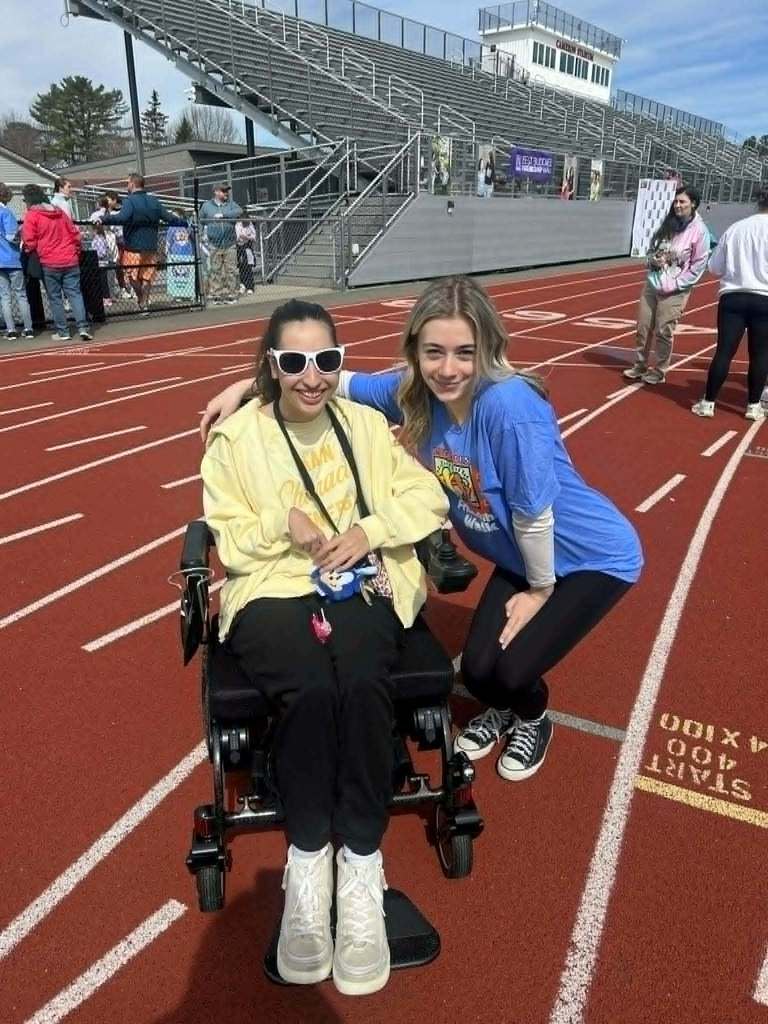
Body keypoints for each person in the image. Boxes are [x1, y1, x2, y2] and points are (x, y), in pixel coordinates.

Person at [200, 277, 643, 783]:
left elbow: (534, 514)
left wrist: (540, 592)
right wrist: (248, 385)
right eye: (434, 352)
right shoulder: (415, 390)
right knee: (476, 673)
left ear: (488, 349)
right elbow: (326, 377)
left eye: (464, 353)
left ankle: (532, 716)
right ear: (415, 351)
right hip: (522, 556)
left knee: (514, 671)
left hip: (585, 557)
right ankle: (498, 706)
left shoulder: (508, 407)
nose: (448, 369)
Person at [201, 298, 448, 994]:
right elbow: (227, 533)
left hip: (363, 582)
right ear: (271, 366)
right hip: (273, 588)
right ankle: (310, 859)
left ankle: (362, 863)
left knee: (364, 683)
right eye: (294, 361)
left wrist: (368, 531)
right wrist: (289, 524)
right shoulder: (235, 440)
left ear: (340, 363)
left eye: (327, 361)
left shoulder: (368, 426)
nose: (312, 377)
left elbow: (429, 498)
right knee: (311, 687)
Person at [692, 187, 768, 421]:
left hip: (733, 297)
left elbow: (715, 267)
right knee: (761, 355)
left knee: (724, 351)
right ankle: (753, 406)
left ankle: (708, 402)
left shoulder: (736, 228)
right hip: (764, 298)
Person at [624, 185, 711, 385]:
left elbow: (698, 267)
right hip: (653, 283)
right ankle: (640, 364)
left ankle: (660, 369)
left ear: (693, 204)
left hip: (675, 291)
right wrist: (651, 261)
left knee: (664, 330)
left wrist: (676, 284)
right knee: (643, 326)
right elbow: (652, 250)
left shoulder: (700, 232)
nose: (677, 205)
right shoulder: (668, 224)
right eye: (676, 201)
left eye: (682, 202)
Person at [101, 173, 183, 315]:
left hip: (133, 246)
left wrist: (104, 218)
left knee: (133, 276)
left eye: (128, 183)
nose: (127, 186)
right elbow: (168, 217)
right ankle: (144, 303)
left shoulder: (130, 201)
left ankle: (141, 300)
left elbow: (122, 217)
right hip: (151, 246)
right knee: (146, 276)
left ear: (132, 184)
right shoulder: (154, 201)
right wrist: (182, 221)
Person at [20, 183, 92, 342]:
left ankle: (63, 331)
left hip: (49, 261)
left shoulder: (32, 215)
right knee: (75, 294)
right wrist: (76, 251)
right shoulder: (59, 212)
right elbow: (75, 234)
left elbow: (29, 241)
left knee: (55, 298)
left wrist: (29, 250)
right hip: (70, 258)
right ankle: (82, 327)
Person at [0, 183, 34, 339]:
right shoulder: (6, 213)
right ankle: (28, 328)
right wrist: (21, 238)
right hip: (12, 258)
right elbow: (12, 236)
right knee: (20, 294)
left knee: (5, 296)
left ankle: (11, 330)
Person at [198, 183, 242, 304]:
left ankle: (232, 294)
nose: (226, 193)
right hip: (214, 243)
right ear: (216, 192)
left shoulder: (231, 204)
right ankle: (216, 294)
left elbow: (239, 211)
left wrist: (224, 215)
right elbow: (200, 220)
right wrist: (201, 234)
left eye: (226, 191)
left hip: (230, 243)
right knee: (215, 270)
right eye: (223, 191)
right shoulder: (207, 206)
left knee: (231, 270)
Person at [165, 211, 196, 301]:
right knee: (177, 275)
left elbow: (193, 237)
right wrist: (166, 251)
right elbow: (168, 240)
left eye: (176, 216)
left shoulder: (186, 226)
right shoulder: (171, 228)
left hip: (187, 254)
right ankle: (178, 294)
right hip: (175, 254)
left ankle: (189, 293)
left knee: (188, 274)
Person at [235, 216, 257, 293]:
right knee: (241, 266)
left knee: (248, 266)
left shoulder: (250, 224)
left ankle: (250, 286)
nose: (246, 224)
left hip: (248, 246)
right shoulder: (238, 225)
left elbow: (254, 237)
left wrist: (247, 237)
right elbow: (238, 236)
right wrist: (243, 237)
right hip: (240, 247)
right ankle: (243, 285)